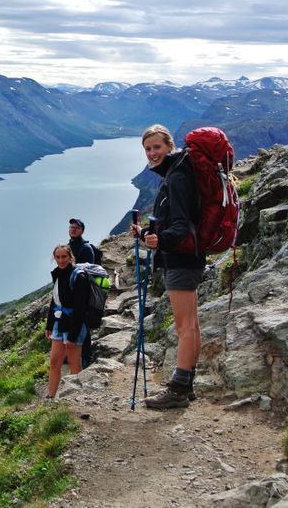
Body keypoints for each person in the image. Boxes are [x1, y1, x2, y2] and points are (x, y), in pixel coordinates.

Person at [130, 124, 206, 409]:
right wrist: (145, 233)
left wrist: (160, 239)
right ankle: (186, 385)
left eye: (157, 147)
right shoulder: (175, 174)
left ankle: (177, 389)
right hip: (185, 257)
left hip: (181, 258)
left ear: (170, 146)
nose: (152, 153)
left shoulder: (177, 177)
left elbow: (183, 227)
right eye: (148, 149)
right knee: (191, 326)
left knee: (185, 327)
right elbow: (173, 220)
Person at [44, 244, 90, 398]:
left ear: (71, 257)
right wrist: (49, 324)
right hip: (59, 322)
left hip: (73, 325)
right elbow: (55, 301)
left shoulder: (78, 276)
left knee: (74, 363)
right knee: (54, 362)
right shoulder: (58, 274)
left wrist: (72, 335)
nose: (61, 260)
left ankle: (77, 398)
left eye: (64, 257)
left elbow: (80, 308)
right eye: (57, 257)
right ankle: (50, 397)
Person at [68, 218, 103, 368]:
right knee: (71, 320)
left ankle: (86, 356)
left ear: (82, 230)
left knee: (82, 322)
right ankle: (71, 353)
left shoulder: (86, 248)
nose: (73, 229)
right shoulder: (69, 246)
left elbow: (90, 272)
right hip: (70, 289)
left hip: (83, 291)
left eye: (76, 227)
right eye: (71, 227)